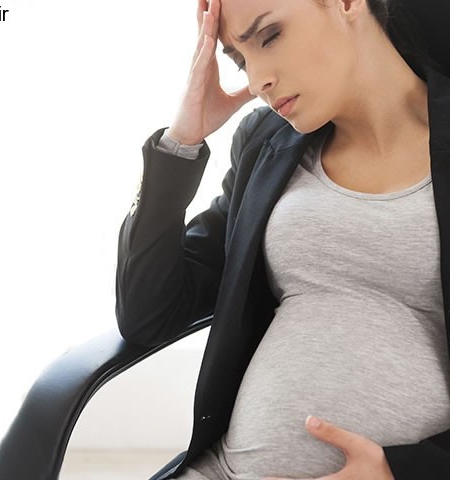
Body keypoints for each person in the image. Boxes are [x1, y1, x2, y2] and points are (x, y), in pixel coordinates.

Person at [115, 0, 450, 479]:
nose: (256, 82)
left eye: (269, 36)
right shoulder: (266, 147)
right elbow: (148, 314)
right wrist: (182, 141)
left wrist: (403, 471)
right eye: (239, 60)